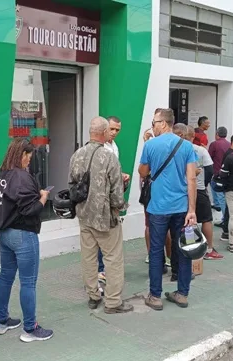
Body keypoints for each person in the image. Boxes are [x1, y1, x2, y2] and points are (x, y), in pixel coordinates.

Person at [0, 138, 53, 342]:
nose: (29, 162)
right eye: (28, 158)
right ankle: (30, 328)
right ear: (22, 155)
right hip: (22, 234)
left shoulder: (0, 175)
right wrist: (42, 198)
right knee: (28, 281)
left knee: (6, 276)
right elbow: (29, 209)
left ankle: (2, 321)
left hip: (3, 233)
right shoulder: (22, 177)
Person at [69, 116, 133, 314]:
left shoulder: (77, 155)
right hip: (105, 218)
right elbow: (116, 191)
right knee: (113, 257)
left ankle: (93, 296)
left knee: (88, 258)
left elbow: (72, 184)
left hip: (84, 215)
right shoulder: (108, 157)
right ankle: (113, 302)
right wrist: (119, 207)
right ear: (104, 133)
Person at [139, 108, 197, 310]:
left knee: (156, 251)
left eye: (154, 122)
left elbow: (143, 171)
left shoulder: (151, 145)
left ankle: (155, 296)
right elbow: (191, 178)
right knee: (184, 250)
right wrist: (192, 209)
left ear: (163, 123)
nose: (152, 126)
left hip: (158, 207)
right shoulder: (188, 146)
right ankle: (182, 293)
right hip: (182, 207)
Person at [180, 125, 223, 260]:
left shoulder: (176, 149)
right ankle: (208, 249)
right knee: (206, 219)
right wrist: (204, 184)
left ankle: (188, 248)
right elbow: (209, 170)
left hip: (181, 191)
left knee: (186, 221)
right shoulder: (200, 150)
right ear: (193, 136)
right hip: (198, 188)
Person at [98, 116, 131, 283]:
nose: (114, 133)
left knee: (110, 234)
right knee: (101, 233)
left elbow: (113, 170)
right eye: (112, 129)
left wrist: (121, 176)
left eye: (117, 130)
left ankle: (104, 268)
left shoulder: (113, 146)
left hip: (113, 197)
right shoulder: (99, 147)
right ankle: (100, 269)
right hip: (101, 199)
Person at [208, 126, 231, 216]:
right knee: (225, 196)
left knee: (219, 196)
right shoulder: (229, 144)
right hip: (227, 173)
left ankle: (223, 216)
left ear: (217, 134)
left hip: (217, 172)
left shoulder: (214, 144)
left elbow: (209, 158)